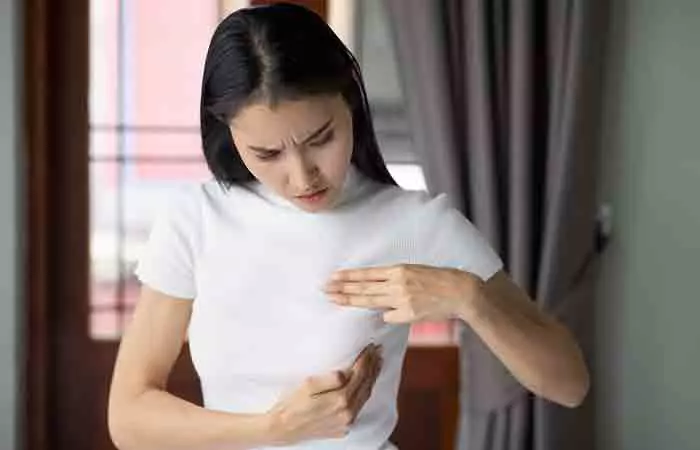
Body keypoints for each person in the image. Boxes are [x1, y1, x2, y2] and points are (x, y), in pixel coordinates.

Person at [107, 3, 589, 449]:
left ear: (350, 104)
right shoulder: (197, 218)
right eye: (267, 154)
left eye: (321, 138)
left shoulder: (415, 223)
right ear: (227, 134)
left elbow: (568, 384)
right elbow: (128, 418)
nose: (302, 177)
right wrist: (273, 428)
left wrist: (470, 297)